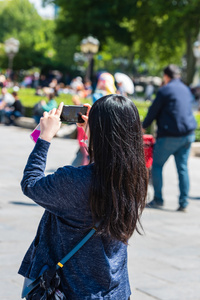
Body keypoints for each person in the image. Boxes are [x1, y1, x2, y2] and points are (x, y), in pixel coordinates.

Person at [19, 95, 148, 299]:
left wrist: (44, 138)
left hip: (70, 289)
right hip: (114, 289)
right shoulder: (134, 176)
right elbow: (111, 155)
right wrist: (95, 127)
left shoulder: (75, 180)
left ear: (99, 134)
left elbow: (31, 184)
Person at [142, 64, 197, 212]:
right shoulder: (186, 89)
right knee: (182, 168)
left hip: (170, 135)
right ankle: (183, 203)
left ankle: (159, 200)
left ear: (166, 76)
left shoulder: (165, 90)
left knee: (157, 166)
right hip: (188, 134)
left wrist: (142, 127)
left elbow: (153, 111)